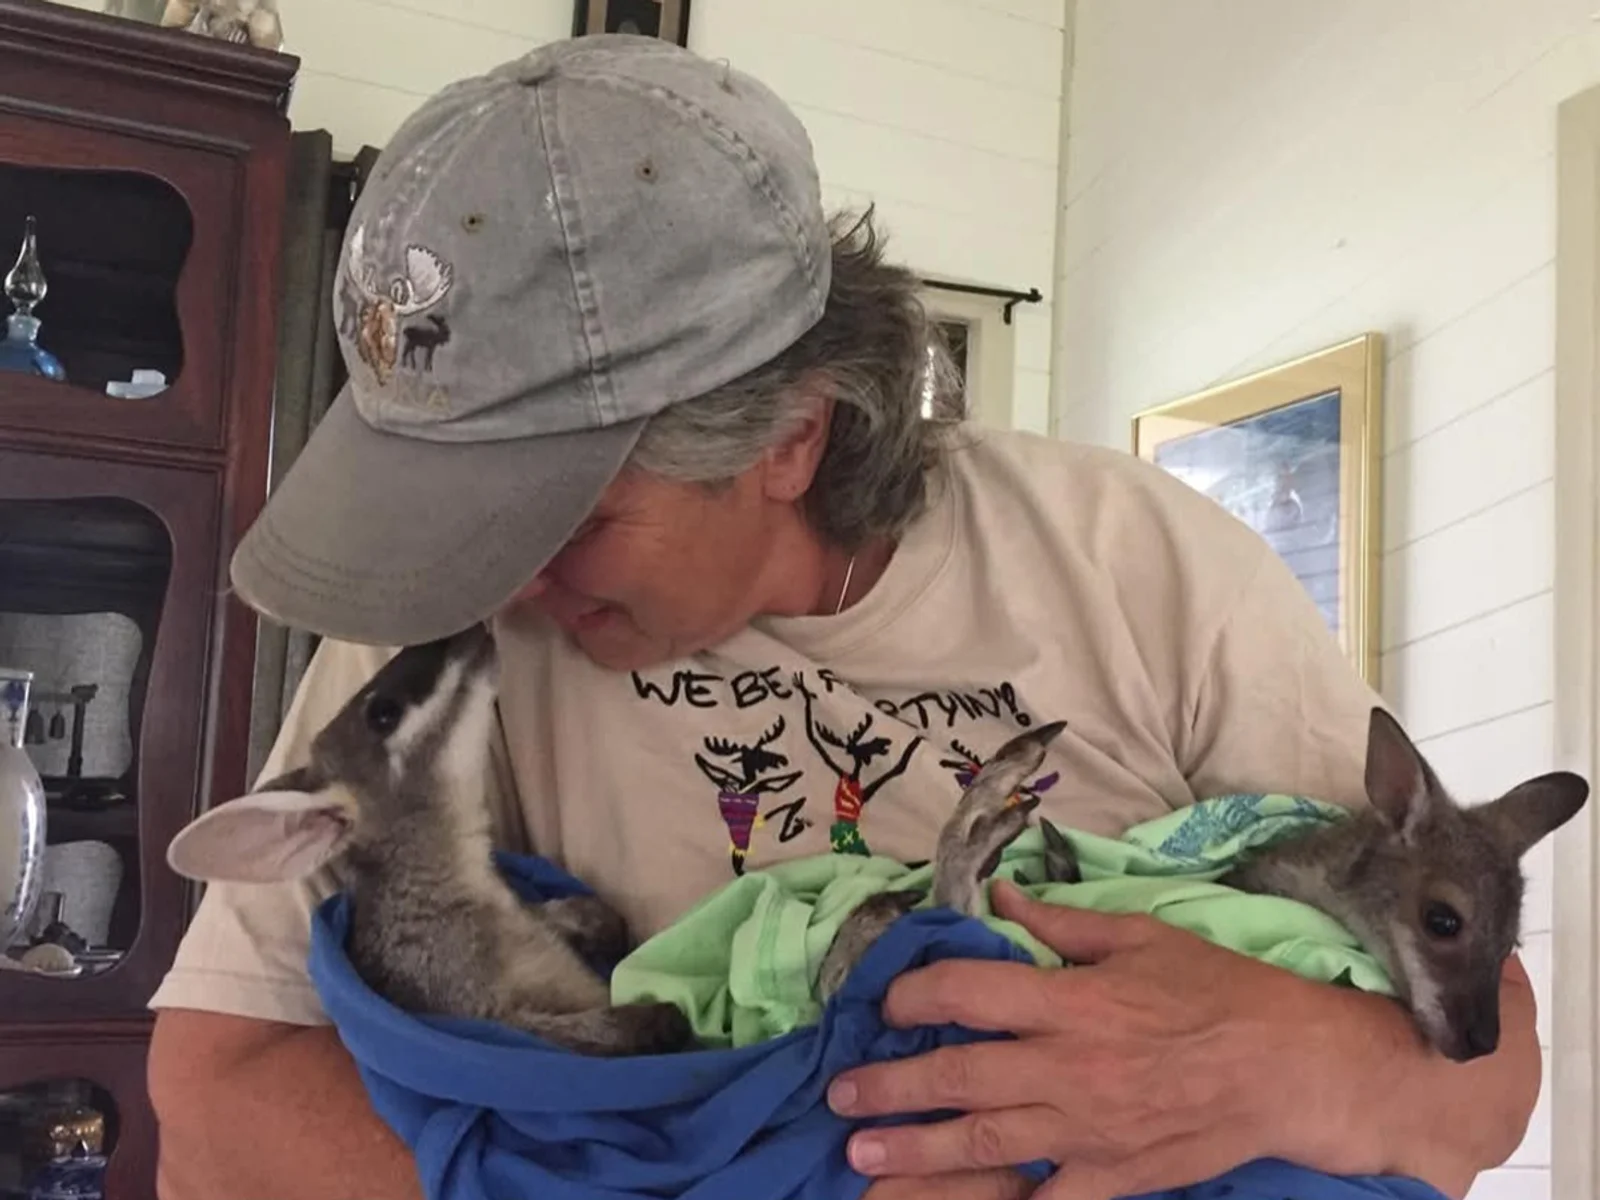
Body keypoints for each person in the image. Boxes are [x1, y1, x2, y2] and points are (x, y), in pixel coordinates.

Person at [145, 32, 1539, 1200]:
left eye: (562, 517)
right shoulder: (429, 640)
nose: (498, 589)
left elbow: (1483, 1081)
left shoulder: (1139, 564)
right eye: (461, 518)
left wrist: (1278, 1064)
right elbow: (219, 1100)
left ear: (791, 439)